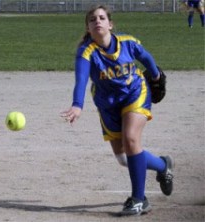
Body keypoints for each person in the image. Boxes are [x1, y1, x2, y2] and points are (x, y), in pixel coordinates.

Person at [61, 5, 174, 216]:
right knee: (124, 158)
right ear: (88, 28)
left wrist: (156, 75)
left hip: (135, 93)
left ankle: (139, 200)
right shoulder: (86, 52)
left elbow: (146, 58)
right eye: (93, 19)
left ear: (110, 24)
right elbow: (82, 79)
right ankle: (163, 165)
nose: (98, 21)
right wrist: (77, 104)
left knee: (131, 140)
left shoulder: (127, 42)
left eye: (102, 18)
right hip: (108, 103)